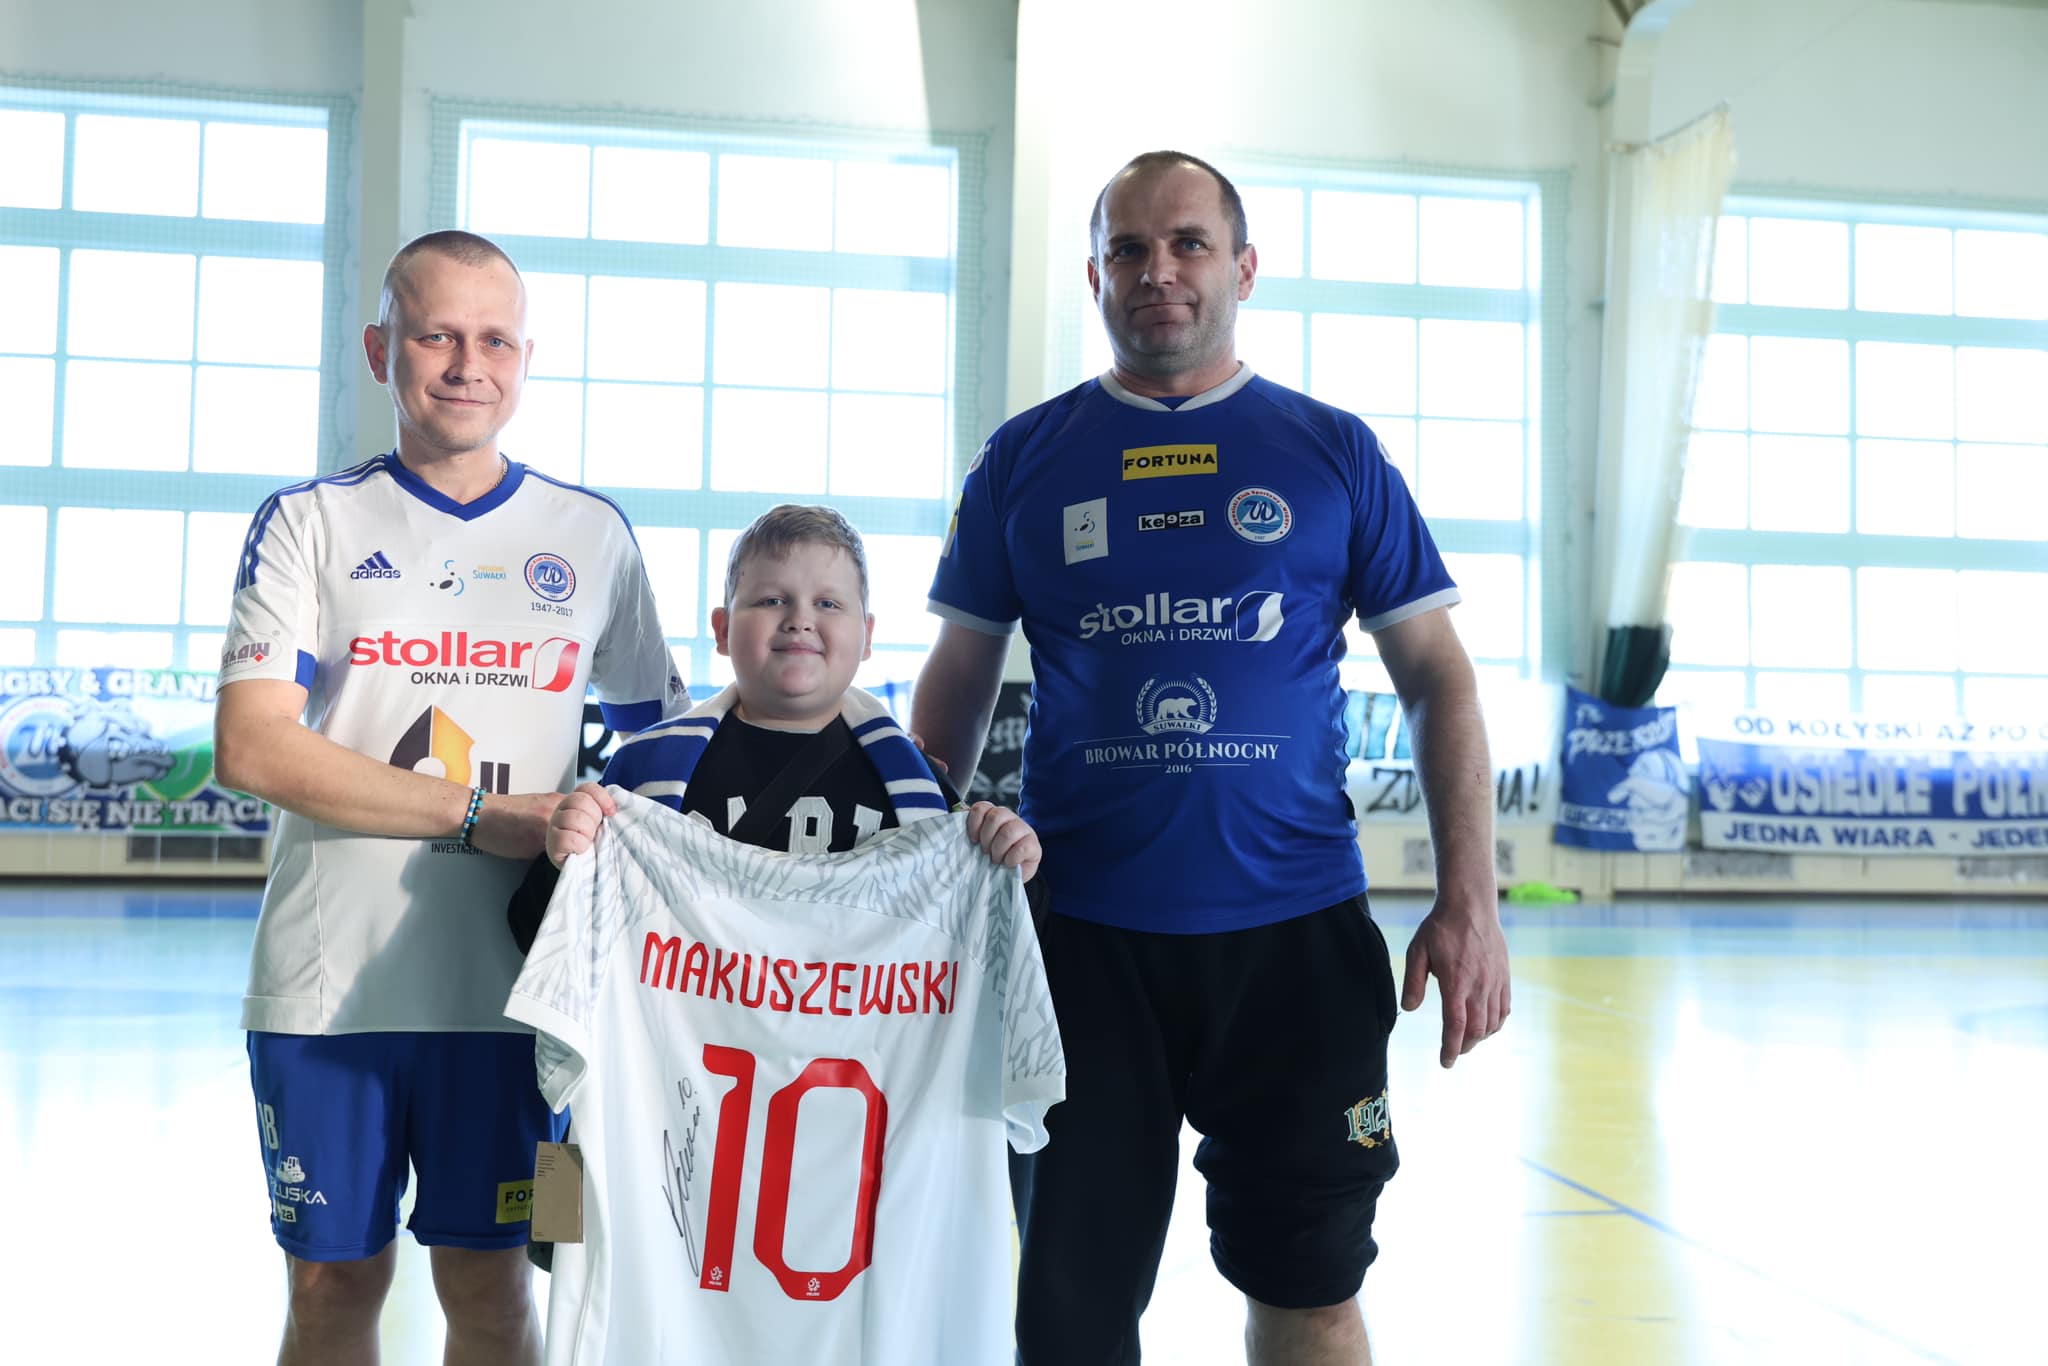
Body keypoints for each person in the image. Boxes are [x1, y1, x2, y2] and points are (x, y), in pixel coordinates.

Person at [912, 151, 1512, 1365]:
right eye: (1127, 250)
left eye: (1187, 243)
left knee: (1310, 1290)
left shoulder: (1331, 451)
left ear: (1243, 267)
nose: (1158, 272)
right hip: (1077, 949)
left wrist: (1471, 900)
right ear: (1093, 276)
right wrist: (904, 880)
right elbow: (955, 688)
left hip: (1295, 946)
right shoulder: (1023, 460)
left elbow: (1437, 677)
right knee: (1069, 1319)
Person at [214, 229, 684, 1366]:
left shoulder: (591, 536)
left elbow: (669, 752)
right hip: (330, 990)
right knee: (330, 1287)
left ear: (526, 359)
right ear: (383, 350)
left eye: (496, 341)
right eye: (437, 336)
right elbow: (252, 747)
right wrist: (486, 816)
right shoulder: (308, 522)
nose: (469, 365)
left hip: (530, 1001)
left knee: (497, 1288)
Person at [509, 502, 1041, 944]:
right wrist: (562, 860)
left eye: (828, 603)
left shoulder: (917, 785)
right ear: (722, 631)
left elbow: (993, 951)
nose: (799, 619)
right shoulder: (640, 774)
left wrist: (1016, 866)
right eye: (771, 600)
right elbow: (540, 938)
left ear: (867, 636)